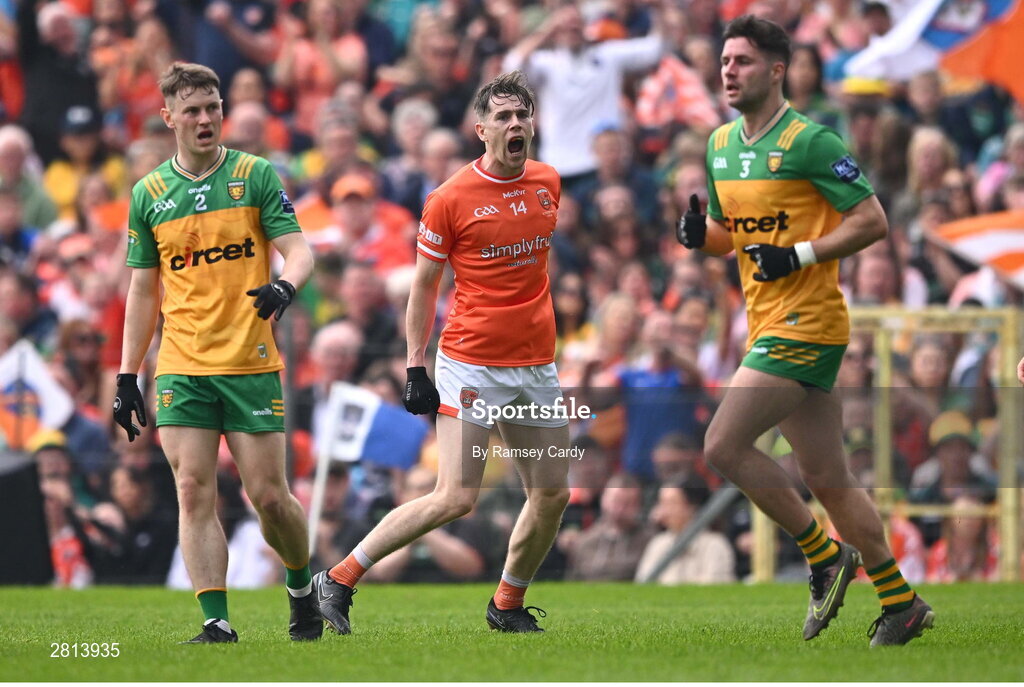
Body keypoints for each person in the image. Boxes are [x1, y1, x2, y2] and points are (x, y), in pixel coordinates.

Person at [675, 15, 932, 647]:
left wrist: (803, 256)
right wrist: (699, 237)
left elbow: (872, 221)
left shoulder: (813, 142)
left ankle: (822, 555)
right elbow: (736, 237)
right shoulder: (719, 145)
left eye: (742, 61)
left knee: (721, 446)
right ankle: (900, 604)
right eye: (725, 61)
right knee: (829, 480)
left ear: (777, 70)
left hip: (807, 322)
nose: (729, 71)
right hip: (767, 321)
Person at [314, 70, 571, 635]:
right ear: (481, 129)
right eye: (502, 116)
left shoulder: (548, 182)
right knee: (456, 496)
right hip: (472, 361)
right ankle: (337, 578)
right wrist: (414, 363)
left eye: (522, 114)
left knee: (552, 493)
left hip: (536, 363)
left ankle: (506, 605)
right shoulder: (449, 199)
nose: (514, 124)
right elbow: (423, 288)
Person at [111, 63, 318, 644]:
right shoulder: (148, 193)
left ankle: (303, 589)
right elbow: (143, 289)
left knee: (269, 497)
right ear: (168, 116)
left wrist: (285, 284)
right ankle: (216, 622)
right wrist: (128, 375)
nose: (205, 119)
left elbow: (300, 252)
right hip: (181, 362)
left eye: (213, 107)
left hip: (249, 359)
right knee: (192, 488)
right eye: (193, 109)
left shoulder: (254, 175)